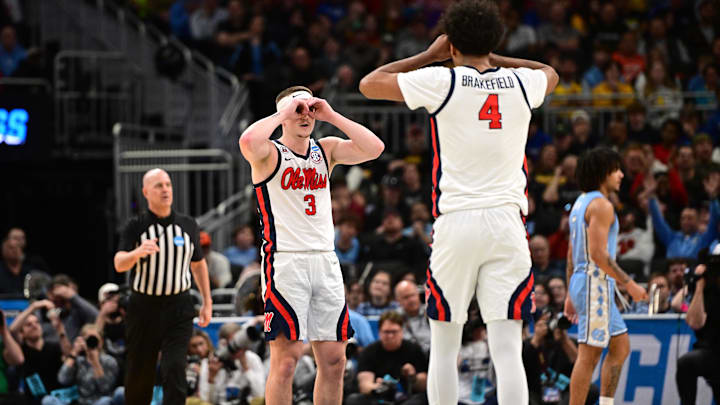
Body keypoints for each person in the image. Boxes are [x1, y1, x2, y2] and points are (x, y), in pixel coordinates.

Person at [359, 1, 559, 403]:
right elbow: (550, 73)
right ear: (494, 40)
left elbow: (369, 83)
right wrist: (494, 55)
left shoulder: (442, 80)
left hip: (458, 222)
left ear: (451, 45)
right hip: (507, 223)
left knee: (445, 345)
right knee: (507, 348)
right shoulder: (521, 82)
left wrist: (430, 56)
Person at [238, 83, 383, 405]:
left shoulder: (325, 148)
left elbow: (374, 148)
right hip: (286, 262)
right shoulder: (268, 153)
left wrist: (331, 114)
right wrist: (282, 112)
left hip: (325, 260)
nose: (305, 114)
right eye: (297, 109)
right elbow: (247, 140)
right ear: (284, 115)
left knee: (334, 361)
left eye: (309, 108)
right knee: (286, 361)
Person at [113, 168, 213, 405]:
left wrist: (207, 302)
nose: (165, 189)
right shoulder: (135, 226)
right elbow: (119, 263)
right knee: (140, 372)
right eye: (158, 185)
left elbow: (198, 265)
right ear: (146, 192)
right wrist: (138, 252)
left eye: (167, 184)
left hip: (179, 307)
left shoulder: (188, 225)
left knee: (175, 367)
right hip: (143, 308)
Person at [564, 147, 648, 405]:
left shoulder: (580, 203)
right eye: (616, 169)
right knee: (589, 355)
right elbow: (599, 255)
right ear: (603, 173)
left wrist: (570, 292)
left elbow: (571, 253)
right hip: (594, 283)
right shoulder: (602, 205)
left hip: (584, 280)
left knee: (620, 347)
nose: (622, 175)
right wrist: (630, 284)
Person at [345, 311, 428, 405]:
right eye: (386, 332)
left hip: (407, 397)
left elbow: (424, 384)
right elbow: (364, 384)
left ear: (401, 331)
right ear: (379, 332)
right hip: (379, 397)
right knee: (354, 400)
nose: (390, 336)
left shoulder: (414, 350)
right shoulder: (369, 351)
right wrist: (377, 388)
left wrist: (413, 377)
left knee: (423, 398)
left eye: (394, 332)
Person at [675, 253, 720, 404]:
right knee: (686, 363)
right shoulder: (707, 289)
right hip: (712, 351)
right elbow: (695, 322)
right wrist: (699, 285)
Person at [42, 324, 119, 405]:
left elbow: (105, 389)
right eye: (88, 339)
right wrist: (74, 353)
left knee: (105, 401)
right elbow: (62, 379)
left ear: (101, 341)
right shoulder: (78, 361)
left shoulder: (109, 361)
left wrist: (95, 362)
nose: (91, 342)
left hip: (100, 402)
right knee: (48, 400)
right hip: (80, 402)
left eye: (95, 339)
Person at [394, 280, 430, 355]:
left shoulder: (431, 312)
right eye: (406, 297)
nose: (411, 300)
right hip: (409, 358)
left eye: (413, 295)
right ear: (398, 300)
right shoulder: (394, 318)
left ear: (418, 294)